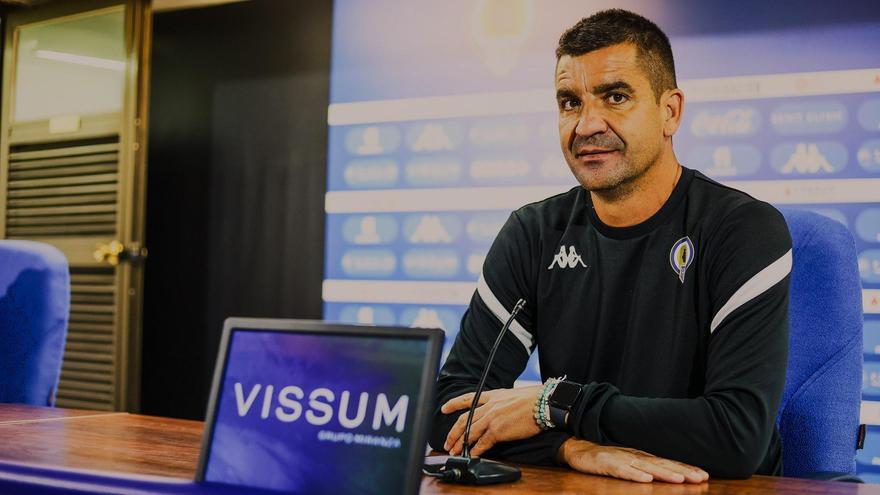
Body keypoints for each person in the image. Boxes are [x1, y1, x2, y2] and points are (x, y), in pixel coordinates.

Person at [429, 9, 791, 484]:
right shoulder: (534, 232)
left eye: (615, 97)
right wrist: (570, 447)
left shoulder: (743, 229)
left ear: (670, 111)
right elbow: (449, 410)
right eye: (569, 102)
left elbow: (737, 436)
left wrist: (556, 405)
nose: (585, 125)